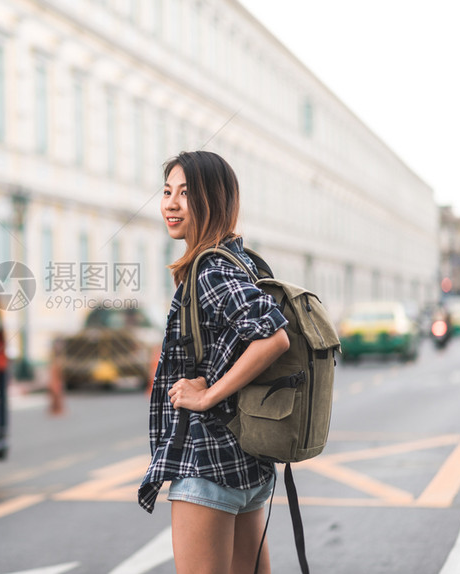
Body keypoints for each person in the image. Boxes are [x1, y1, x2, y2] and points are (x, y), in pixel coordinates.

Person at [138, 151, 290, 574]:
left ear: (214, 200)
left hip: (206, 460)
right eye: (167, 192)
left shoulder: (210, 271)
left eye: (185, 194)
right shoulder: (238, 261)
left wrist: (207, 397)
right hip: (244, 459)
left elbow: (274, 336)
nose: (170, 204)